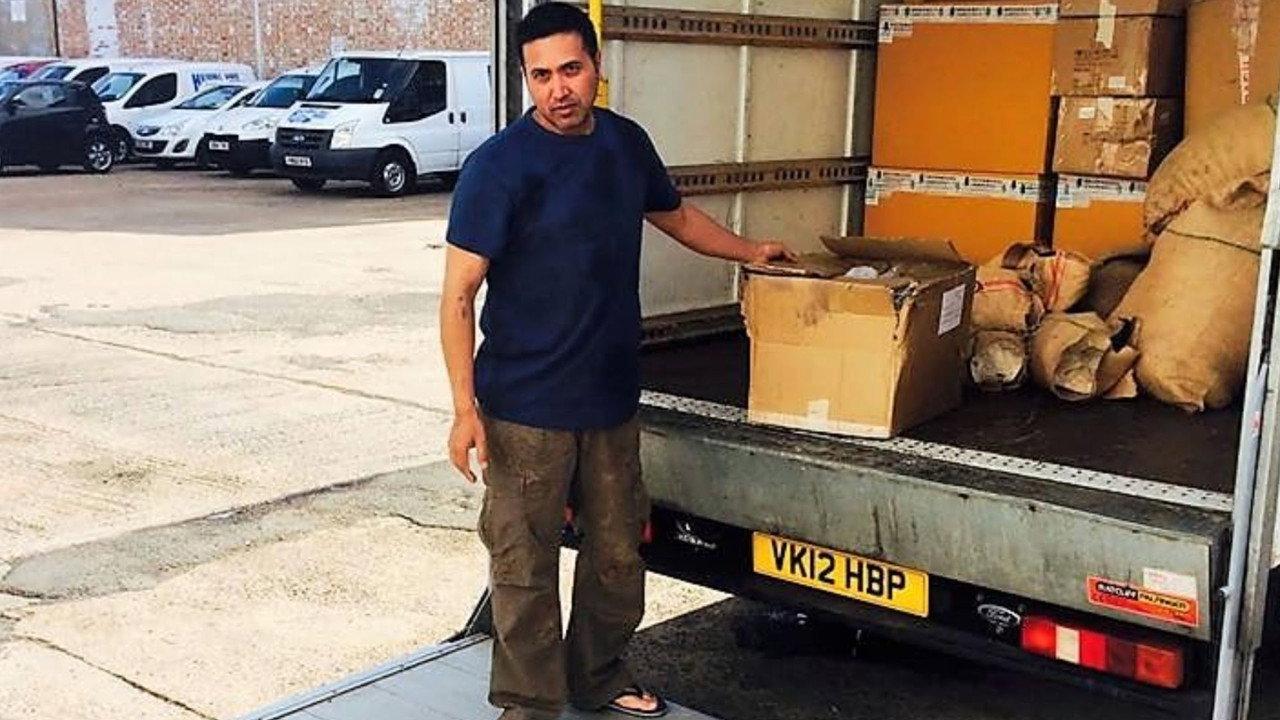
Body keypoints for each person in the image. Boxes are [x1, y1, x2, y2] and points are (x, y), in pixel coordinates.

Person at [439, 3, 794, 718]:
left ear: (598, 67)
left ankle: (598, 676)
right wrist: (463, 410)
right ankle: (529, 703)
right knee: (523, 566)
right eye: (541, 75)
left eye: (571, 70)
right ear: (525, 78)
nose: (557, 89)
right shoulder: (497, 167)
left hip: (609, 401)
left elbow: (677, 216)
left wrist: (750, 251)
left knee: (617, 556)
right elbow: (458, 296)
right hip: (525, 410)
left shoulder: (625, 145)